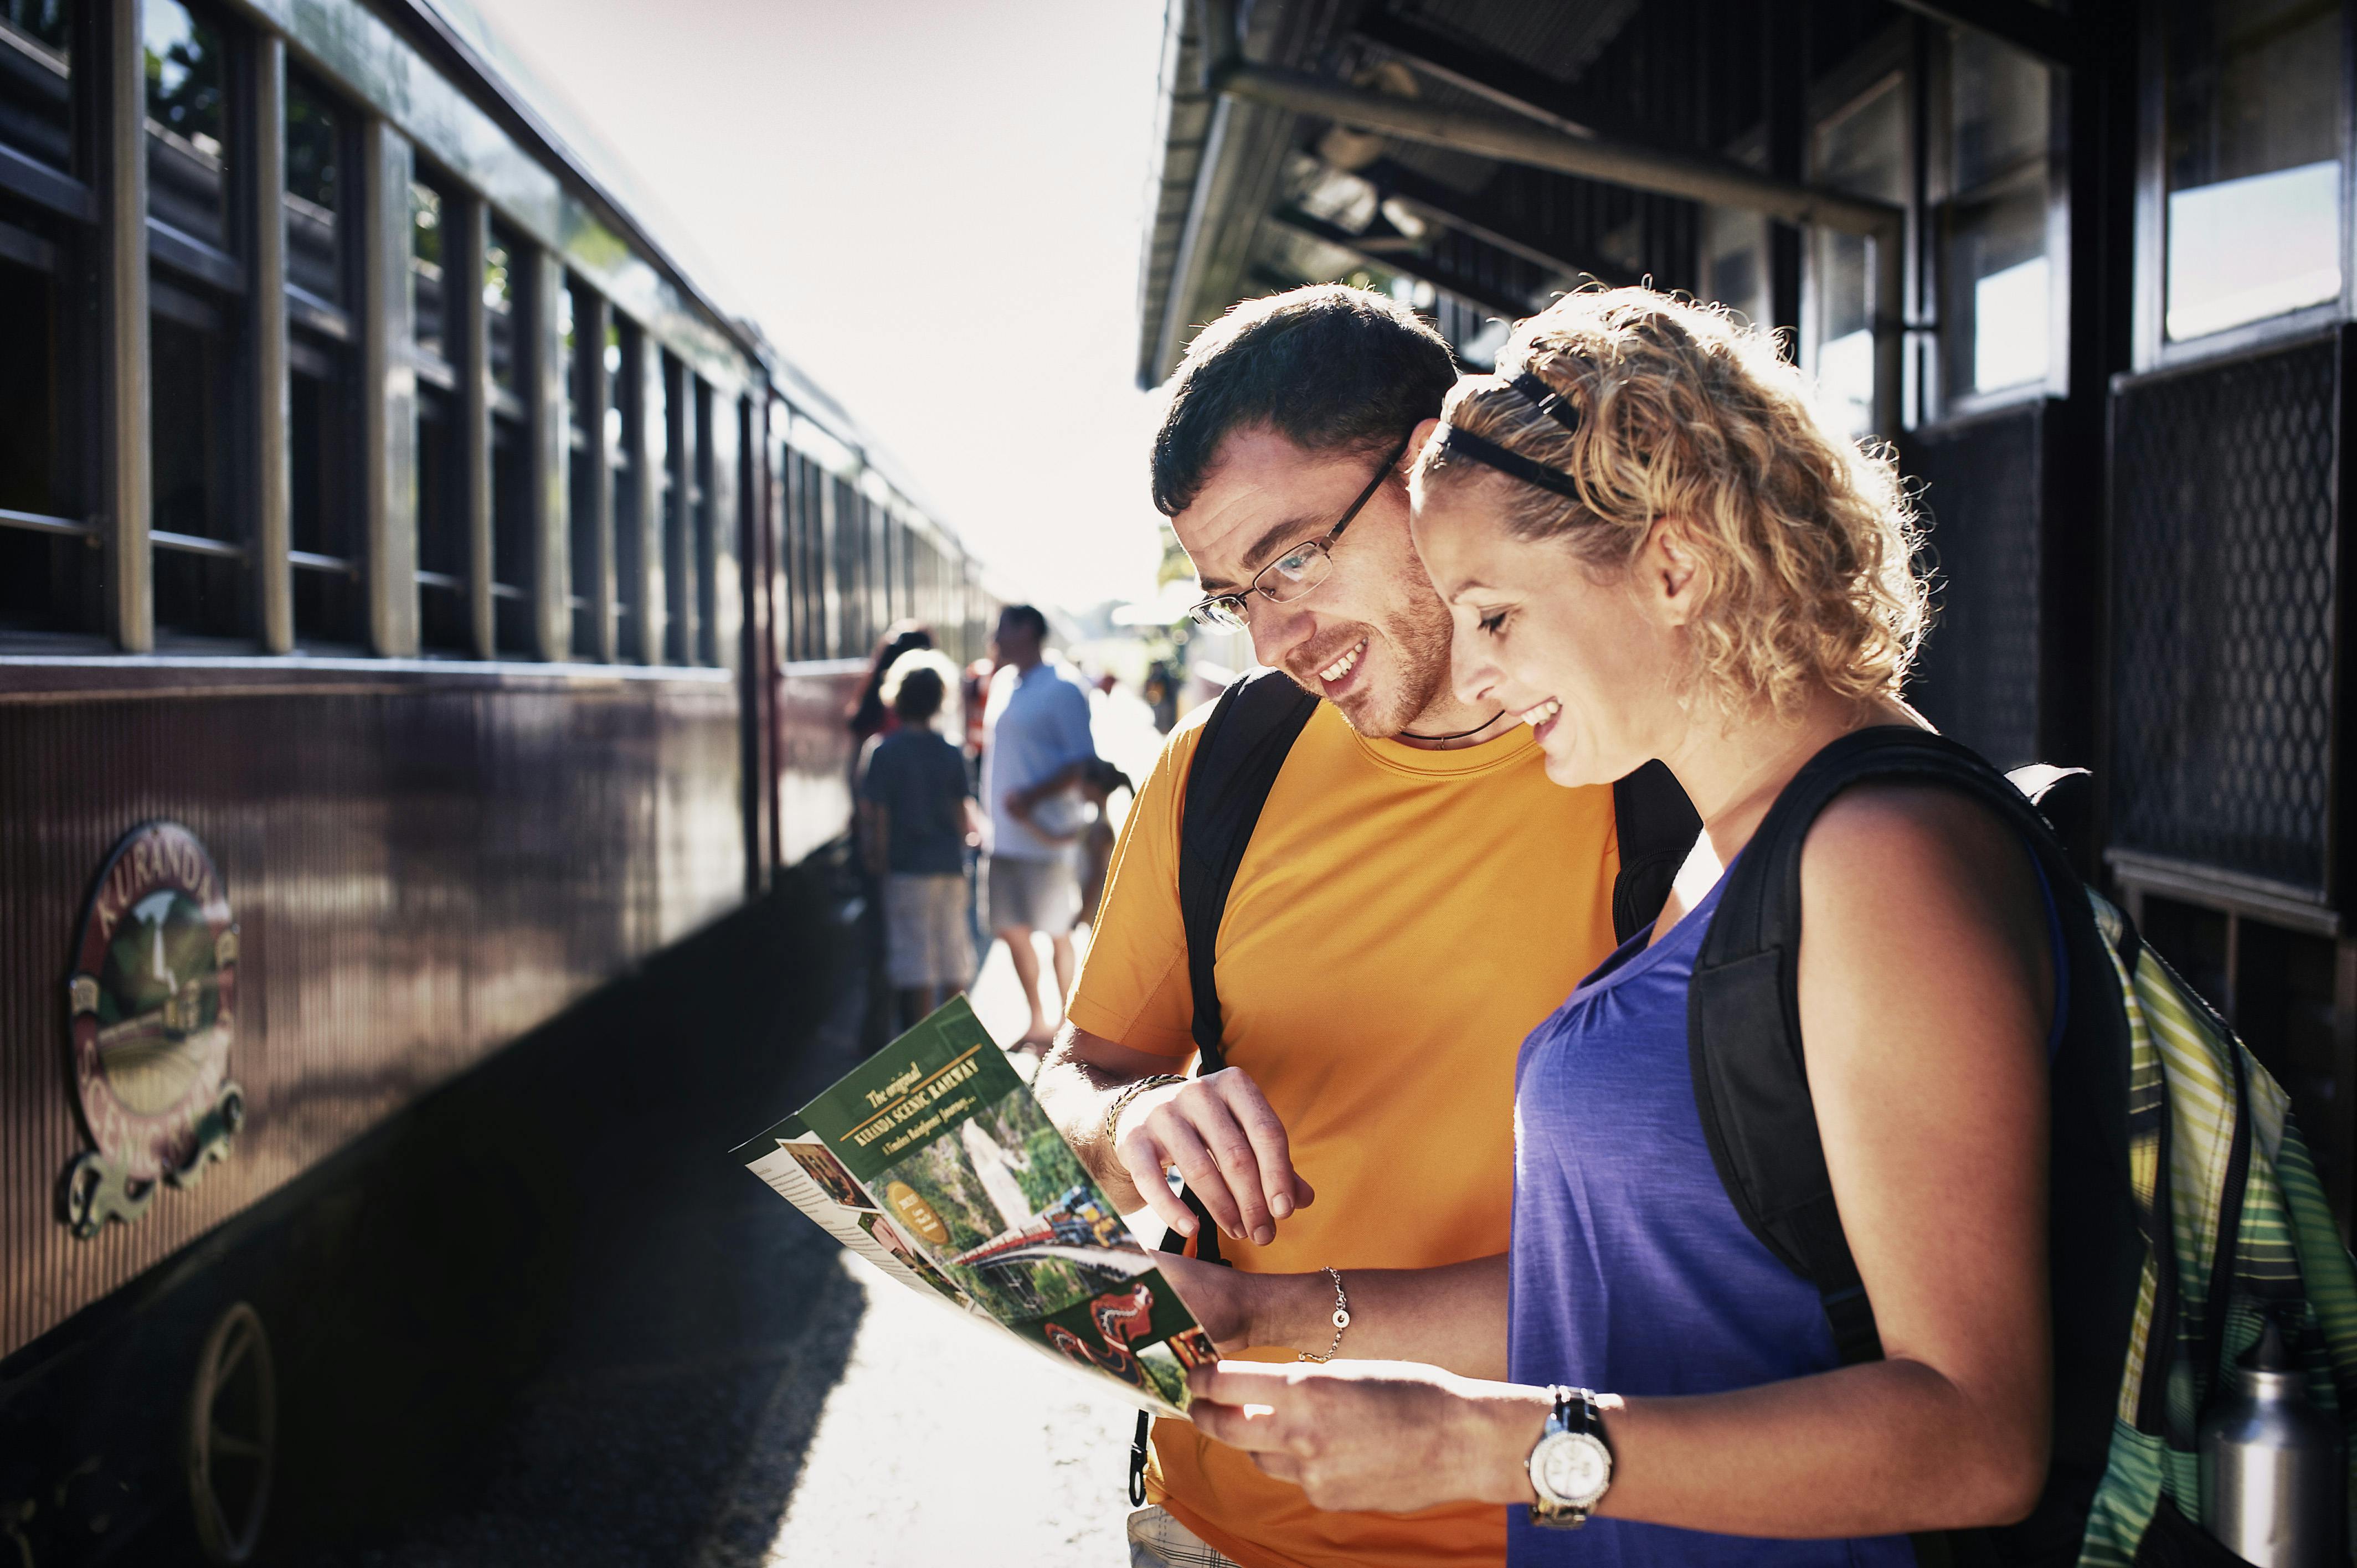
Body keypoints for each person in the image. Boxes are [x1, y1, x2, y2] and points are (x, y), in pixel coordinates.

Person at [1175, 288, 2107, 1563]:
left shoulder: (1882, 856)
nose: (1484, 672)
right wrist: (1264, 1308)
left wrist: (1483, 1445)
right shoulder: (1733, 843)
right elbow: (1621, 1291)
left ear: (1673, 564)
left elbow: (1977, 1434)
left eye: (1495, 613)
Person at [1031, 285, 1629, 1568]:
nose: (1280, 635)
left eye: (1297, 557)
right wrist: (1129, 1120)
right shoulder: (1220, 769)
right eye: (1236, 595)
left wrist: (1293, 1306)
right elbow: (1077, 1073)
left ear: (1433, 466)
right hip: (1218, 1525)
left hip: (1562, 1532)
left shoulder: (1650, 765)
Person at [980, 604, 1100, 1050]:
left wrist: (1032, 796)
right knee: (1010, 929)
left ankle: (1070, 1027)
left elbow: (1081, 761)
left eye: (1001, 628)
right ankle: (1037, 1022)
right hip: (1003, 838)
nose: (994, 638)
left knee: (1056, 933)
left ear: (1027, 630)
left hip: (1048, 837)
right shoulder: (1004, 683)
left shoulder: (1063, 688)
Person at [856, 650, 980, 1033]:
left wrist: (875, 856)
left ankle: (925, 1039)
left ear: (896, 697)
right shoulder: (952, 751)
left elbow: (877, 814)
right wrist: (968, 840)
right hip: (948, 866)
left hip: (905, 869)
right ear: (940, 700)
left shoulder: (883, 752)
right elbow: (963, 810)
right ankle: (957, 1036)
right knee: (953, 953)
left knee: (917, 960)